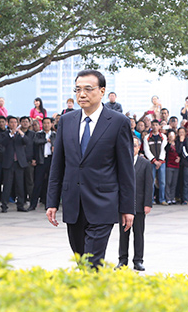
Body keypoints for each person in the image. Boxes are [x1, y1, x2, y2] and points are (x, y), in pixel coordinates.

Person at [46, 69, 135, 268]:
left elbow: (126, 170)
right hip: (73, 203)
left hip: (103, 203)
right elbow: (58, 165)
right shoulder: (67, 121)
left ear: (102, 91)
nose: (82, 94)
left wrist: (128, 207)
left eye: (88, 89)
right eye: (77, 90)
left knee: (91, 263)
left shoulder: (118, 122)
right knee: (81, 261)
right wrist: (52, 201)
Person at [117, 137, 153, 271]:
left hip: (139, 205)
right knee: (123, 234)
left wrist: (147, 203)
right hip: (123, 205)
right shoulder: (121, 162)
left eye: (135, 146)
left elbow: (149, 185)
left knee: (138, 234)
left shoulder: (145, 163)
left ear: (139, 148)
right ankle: (122, 260)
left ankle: (138, 260)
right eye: (130, 145)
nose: (132, 148)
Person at [0, 116, 29, 213]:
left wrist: (21, 134)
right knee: (7, 185)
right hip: (9, 163)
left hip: (19, 163)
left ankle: (20, 204)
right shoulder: (5, 134)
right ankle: (4, 205)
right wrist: (11, 134)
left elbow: (27, 142)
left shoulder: (20, 134)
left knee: (20, 185)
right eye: (11, 122)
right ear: (8, 123)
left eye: (15, 122)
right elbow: (3, 143)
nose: (13, 124)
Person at [29, 117, 55, 211]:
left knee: (50, 183)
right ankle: (33, 204)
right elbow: (35, 143)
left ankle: (49, 205)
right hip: (41, 160)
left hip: (51, 161)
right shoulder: (38, 134)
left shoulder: (55, 135)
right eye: (44, 123)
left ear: (51, 124)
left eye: (48, 123)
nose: (46, 125)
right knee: (37, 183)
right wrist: (46, 141)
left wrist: (53, 145)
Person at [143, 120, 167, 205]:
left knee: (162, 182)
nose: (155, 127)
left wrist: (160, 161)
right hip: (151, 163)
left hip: (162, 162)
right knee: (151, 181)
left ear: (159, 126)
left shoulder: (163, 136)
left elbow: (164, 149)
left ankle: (162, 199)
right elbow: (146, 150)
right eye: (153, 125)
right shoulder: (147, 137)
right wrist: (154, 160)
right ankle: (151, 200)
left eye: (157, 125)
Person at [165, 130, 180, 204]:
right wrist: (169, 143)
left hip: (176, 165)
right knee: (168, 182)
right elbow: (166, 150)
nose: (171, 137)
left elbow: (180, 151)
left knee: (174, 183)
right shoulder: (167, 144)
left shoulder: (177, 144)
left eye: (173, 135)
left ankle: (172, 197)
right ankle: (168, 198)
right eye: (170, 135)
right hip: (169, 165)